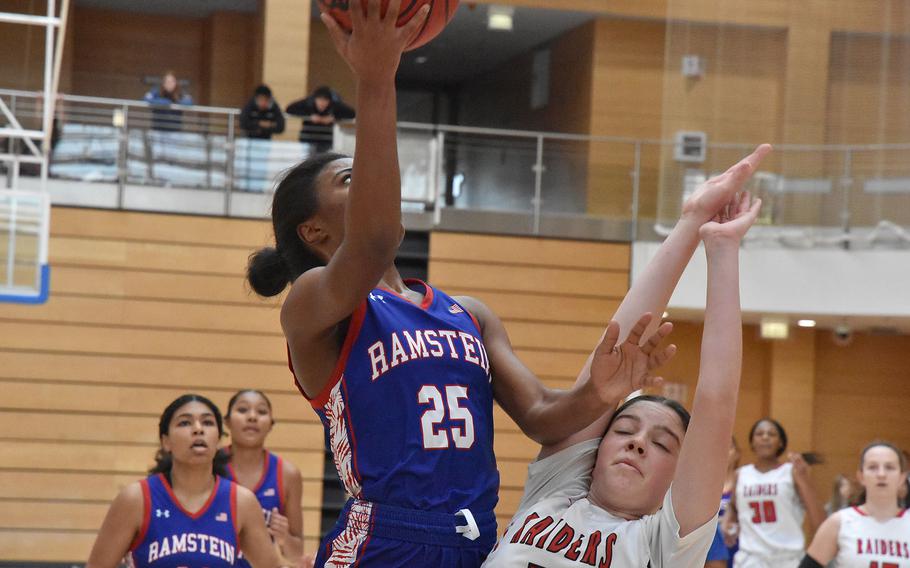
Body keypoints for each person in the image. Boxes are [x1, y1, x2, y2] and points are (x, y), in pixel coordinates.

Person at [483, 177, 763, 566]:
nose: (638, 443)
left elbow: (716, 401)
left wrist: (722, 247)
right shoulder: (553, 491)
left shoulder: (664, 545)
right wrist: (691, 220)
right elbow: (613, 350)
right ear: (596, 450)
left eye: (663, 444)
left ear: (679, 476)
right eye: (625, 430)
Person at [86, 394, 286, 568]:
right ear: (166, 442)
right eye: (185, 423)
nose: (198, 429)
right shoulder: (136, 499)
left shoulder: (242, 502)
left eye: (207, 423)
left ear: (218, 439)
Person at [223, 389, 314, 568]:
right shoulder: (210, 466)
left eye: (262, 411)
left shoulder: (287, 474)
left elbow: (296, 553)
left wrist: (284, 537)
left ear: (271, 424)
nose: (252, 417)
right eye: (242, 410)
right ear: (227, 422)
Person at [722, 419, 826, 568]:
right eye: (759, 434)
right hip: (750, 560)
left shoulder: (792, 472)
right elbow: (733, 506)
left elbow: (819, 520)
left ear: (781, 443)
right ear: (752, 442)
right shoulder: (741, 475)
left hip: (787, 560)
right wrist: (727, 521)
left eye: (771, 434)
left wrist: (803, 479)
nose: (765, 437)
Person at [800, 441, 909, 568]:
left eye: (889, 467)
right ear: (861, 477)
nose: (881, 474)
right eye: (872, 467)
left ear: (902, 478)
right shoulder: (839, 522)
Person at [286, 86, 355, 152]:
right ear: (315, 99)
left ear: (329, 101)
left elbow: (352, 113)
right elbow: (289, 109)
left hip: (326, 140)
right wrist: (309, 116)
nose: (322, 103)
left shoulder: (335, 105)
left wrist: (334, 117)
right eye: (319, 99)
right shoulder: (308, 102)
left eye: (325, 100)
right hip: (308, 138)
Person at [708, 438, 742, 568]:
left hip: (738, 543)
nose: (725, 452)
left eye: (730, 448)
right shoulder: (706, 485)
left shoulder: (744, 481)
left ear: (737, 453)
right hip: (712, 546)